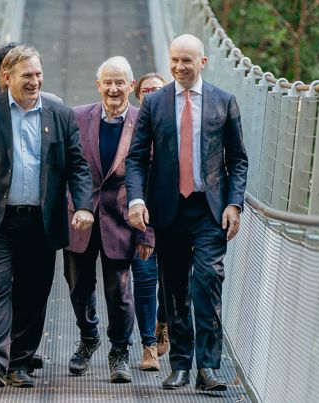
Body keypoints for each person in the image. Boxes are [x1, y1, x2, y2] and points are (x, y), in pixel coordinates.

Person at [0, 45, 94, 389]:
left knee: (33, 292)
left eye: (38, 74)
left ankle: (19, 363)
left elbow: (77, 164)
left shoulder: (59, 113)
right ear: (6, 77)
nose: (35, 81)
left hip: (41, 221)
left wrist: (85, 205)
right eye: (27, 75)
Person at [125, 34, 248, 391]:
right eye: (174, 60)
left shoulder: (224, 101)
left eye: (187, 61)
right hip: (168, 209)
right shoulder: (155, 103)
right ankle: (180, 364)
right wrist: (136, 200)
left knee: (207, 282)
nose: (179, 67)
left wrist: (234, 203)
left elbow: (237, 161)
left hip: (209, 210)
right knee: (175, 288)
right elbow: (136, 158)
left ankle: (208, 368)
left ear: (203, 63)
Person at [63, 56, 155, 383]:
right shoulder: (75, 117)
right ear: (98, 84)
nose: (114, 89)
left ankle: (119, 352)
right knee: (78, 287)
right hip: (80, 218)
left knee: (120, 293)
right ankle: (88, 338)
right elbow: (65, 170)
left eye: (121, 82)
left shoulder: (144, 121)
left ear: (132, 86)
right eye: (108, 82)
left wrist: (148, 235)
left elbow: (151, 181)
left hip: (122, 220)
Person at [129, 72, 171, 363]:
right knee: (144, 280)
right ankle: (148, 346)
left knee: (173, 282)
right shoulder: (128, 126)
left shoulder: (178, 122)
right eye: (146, 90)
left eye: (157, 88)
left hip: (173, 219)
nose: (151, 93)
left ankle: (163, 324)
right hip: (139, 218)